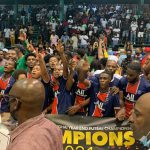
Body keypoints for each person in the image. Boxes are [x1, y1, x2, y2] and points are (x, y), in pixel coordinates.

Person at [6, 79, 63, 150]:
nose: (8, 102)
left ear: (15, 103)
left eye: (9, 98)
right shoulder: (53, 128)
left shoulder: (21, 145)